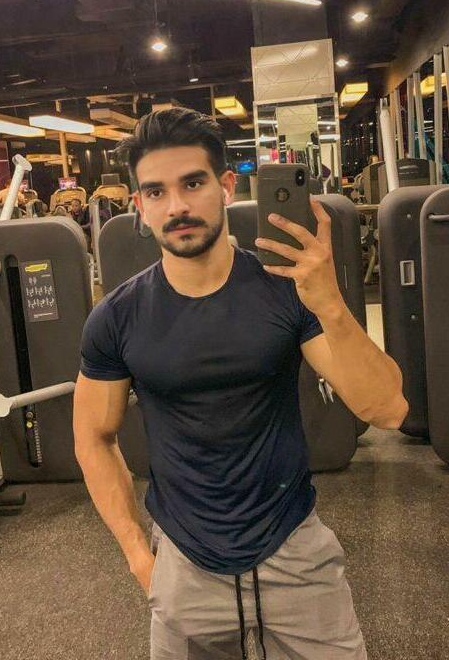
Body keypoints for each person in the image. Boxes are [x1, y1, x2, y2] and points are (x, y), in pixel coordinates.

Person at [73, 108, 408, 660]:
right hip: (182, 562)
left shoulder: (286, 291)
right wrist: (138, 556)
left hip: (294, 548)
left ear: (227, 186)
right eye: (156, 192)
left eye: (193, 183)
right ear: (140, 206)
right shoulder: (117, 318)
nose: (176, 206)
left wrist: (329, 302)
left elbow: (388, 409)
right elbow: (93, 436)